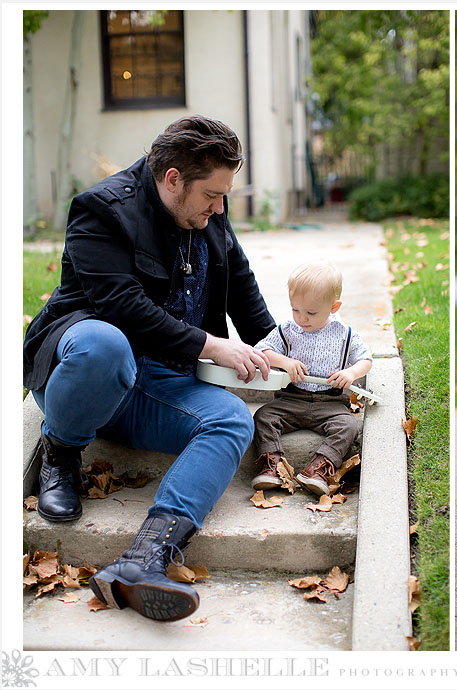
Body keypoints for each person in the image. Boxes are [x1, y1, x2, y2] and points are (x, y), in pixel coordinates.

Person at [23, 115, 276, 621]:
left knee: (230, 419)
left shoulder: (205, 212)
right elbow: (122, 305)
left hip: (156, 385)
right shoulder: (101, 210)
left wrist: (281, 349)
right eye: (212, 193)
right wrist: (212, 345)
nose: (220, 206)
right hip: (86, 374)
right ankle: (62, 450)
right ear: (173, 178)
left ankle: (145, 558)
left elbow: (242, 284)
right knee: (105, 343)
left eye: (225, 195)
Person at [250, 261, 373, 496]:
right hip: (292, 398)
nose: (302, 318)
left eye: (311, 312)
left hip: (330, 403)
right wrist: (285, 362)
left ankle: (318, 469)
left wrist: (350, 373)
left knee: (348, 426)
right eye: (295, 310)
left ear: (334, 307)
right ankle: (274, 465)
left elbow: (365, 360)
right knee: (264, 416)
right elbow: (262, 350)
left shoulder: (345, 334)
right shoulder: (288, 330)